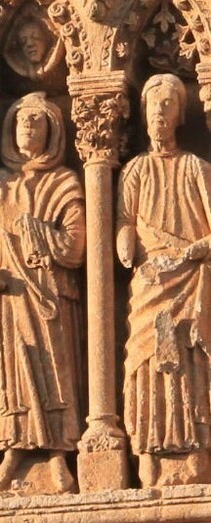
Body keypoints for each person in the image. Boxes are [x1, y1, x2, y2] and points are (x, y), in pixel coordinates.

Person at [0, 92, 84, 496]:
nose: (28, 127)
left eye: (37, 121)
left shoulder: (64, 182)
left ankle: (57, 452)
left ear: (52, 131)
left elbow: (76, 247)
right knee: (9, 374)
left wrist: (39, 232)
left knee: (55, 369)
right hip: (7, 296)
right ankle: (12, 449)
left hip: (50, 293)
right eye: (22, 121)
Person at [117, 73, 211, 486]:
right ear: (144, 112)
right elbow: (124, 220)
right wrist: (124, 244)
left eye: (168, 103)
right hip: (150, 280)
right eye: (154, 103)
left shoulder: (197, 169)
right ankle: (147, 450)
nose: (160, 110)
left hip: (189, 279)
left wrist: (193, 250)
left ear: (179, 115)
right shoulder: (134, 170)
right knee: (146, 359)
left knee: (191, 361)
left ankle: (195, 450)